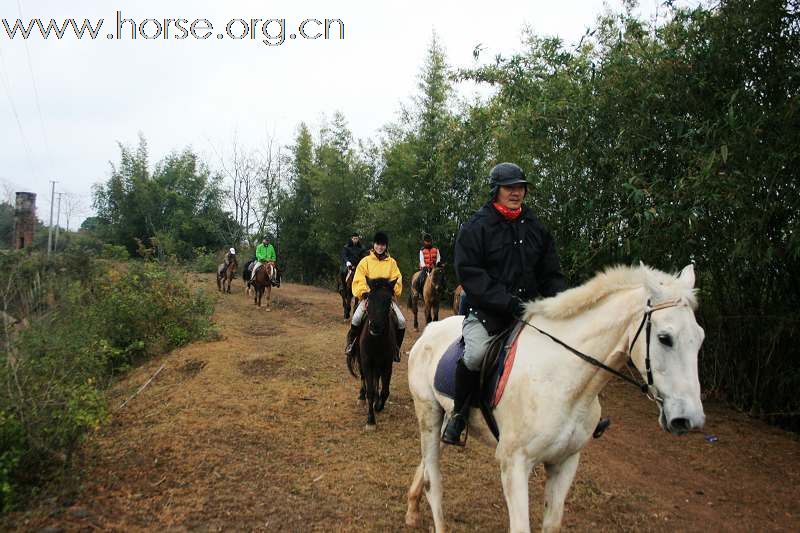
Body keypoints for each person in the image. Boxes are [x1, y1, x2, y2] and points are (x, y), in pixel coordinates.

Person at [442, 162, 568, 445]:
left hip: (532, 313)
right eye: (510, 187)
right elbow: (470, 274)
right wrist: (507, 302)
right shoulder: (476, 227)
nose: (516, 192)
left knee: (567, 350)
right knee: (475, 355)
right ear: (496, 190)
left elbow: (551, 274)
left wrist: (560, 303)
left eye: (520, 187)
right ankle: (459, 415)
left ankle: (575, 415)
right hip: (489, 313)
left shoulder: (536, 228)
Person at [345, 231, 406, 363]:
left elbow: (397, 278)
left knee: (401, 321)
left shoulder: (392, 263)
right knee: (356, 318)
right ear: (374, 245)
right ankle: (351, 345)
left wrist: (392, 291)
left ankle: (396, 349)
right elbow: (359, 278)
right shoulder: (365, 261)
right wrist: (364, 292)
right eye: (378, 244)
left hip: (385, 299)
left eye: (383, 245)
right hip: (369, 298)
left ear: (386, 246)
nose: (380, 247)